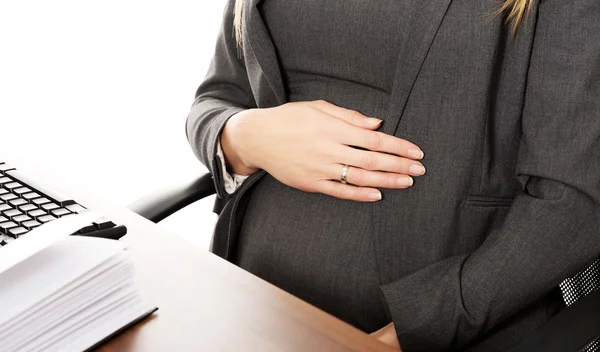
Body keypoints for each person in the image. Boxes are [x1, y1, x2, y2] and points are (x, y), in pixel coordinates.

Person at [186, 0, 600, 350]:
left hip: (434, 326)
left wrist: (408, 333)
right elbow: (216, 99)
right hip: (241, 299)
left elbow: (573, 203)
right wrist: (243, 136)